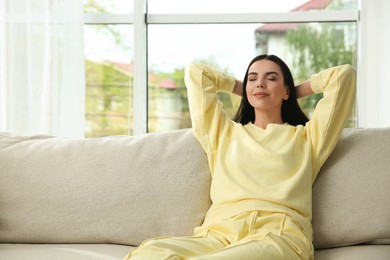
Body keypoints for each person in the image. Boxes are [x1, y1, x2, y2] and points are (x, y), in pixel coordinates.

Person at [125, 54, 356, 260]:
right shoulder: (222, 132)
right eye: (253, 78)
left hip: (278, 236)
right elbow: (198, 73)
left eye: (271, 78)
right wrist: (244, 89)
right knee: (149, 253)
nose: (260, 83)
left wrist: (295, 91)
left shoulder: (309, 137)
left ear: (286, 90)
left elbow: (343, 76)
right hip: (218, 236)